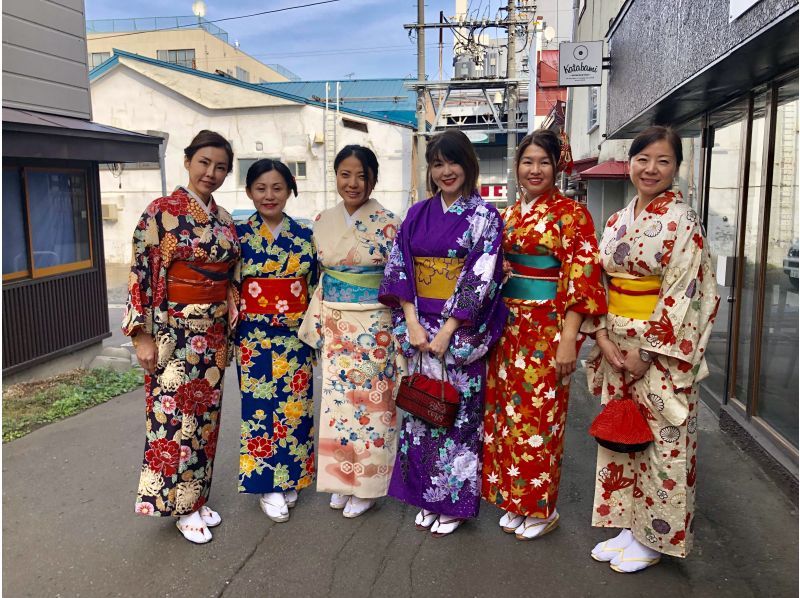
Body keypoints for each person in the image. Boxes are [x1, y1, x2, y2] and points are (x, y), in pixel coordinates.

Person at [585, 126, 719, 572]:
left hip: (658, 354)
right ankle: (628, 525)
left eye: (663, 161)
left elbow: (686, 294)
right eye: (643, 159)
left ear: (677, 168)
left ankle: (657, 536)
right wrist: (602, 338)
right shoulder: (616, 221)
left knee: (664, 443)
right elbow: (599, 285)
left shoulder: (684, 223)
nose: (651, 169)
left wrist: (647, 353)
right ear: (630, 162)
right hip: (616, 347)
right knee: (623, 438)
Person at [379, 129, 507, 536]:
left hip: (459, 330)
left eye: (453, 162)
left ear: (468, 164)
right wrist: (413, 323)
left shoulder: (486, 216)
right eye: (437, 164)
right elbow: (400, 267)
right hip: (420, 328)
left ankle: (451, 502)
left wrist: (448, 329)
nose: (445, 171)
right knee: (422, 413)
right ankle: (424, 496)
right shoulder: (416, 214)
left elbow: (479, 278)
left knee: (458, 416)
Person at [481, 129, 607, 540]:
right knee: (506, 417)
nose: (534, 170)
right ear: (516, 167)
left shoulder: (572, 215)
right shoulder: (511, 213)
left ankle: (541, 508)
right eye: (527, 162)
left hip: (547, 328)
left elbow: (581, 279)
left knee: (540, 420)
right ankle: (515, 500)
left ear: (557, 167)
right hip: (508, 328)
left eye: (543, 162)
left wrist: (569, 338)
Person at [124, 130, 240, 544]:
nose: (211, 173)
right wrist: (142, 336)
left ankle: (196, 497)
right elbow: (141, 273)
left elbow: (231, 277)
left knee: (207, 422)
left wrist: (230, 312)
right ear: (188, 161)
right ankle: (179, 506)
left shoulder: (224, 219)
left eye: (221, 167)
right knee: (175, 421)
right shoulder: (160, 212)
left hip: (212, 335)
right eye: (204, 162)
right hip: (173, 333)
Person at [298, 145, 400, 518]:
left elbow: (400, 280)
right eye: (345, 174)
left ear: (373, 177)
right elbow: (317, 274)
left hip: (376, 323)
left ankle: (369, 484)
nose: (353, 182)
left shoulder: (391, 222)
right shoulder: (322, 220)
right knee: (339, 403)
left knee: (373, 403)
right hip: (336, 321)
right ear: (336, 176)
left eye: (361, 175)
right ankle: (341, 478)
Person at [234, 159, 317, 523]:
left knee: (296, 408)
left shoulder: (304, 236)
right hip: (253, 337)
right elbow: (227, 286)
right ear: (249, 191)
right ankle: (267, 483)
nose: (269, 196)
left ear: (290, 190)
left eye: (277, 188)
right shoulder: (237, 237)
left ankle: (291, 476)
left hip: (296, 335)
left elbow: (315, 287)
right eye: (261, 188)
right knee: (260, 410)